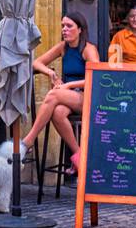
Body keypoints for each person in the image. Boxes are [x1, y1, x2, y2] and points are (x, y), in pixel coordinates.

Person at [20, 13, 100, 172]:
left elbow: (96, 78)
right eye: (63, 25)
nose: (64, 29)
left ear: (80, 29)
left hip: (89, 96)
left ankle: (28, 141)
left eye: (69, 26)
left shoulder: (88, 49)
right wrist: (50, 73)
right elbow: (37, 63)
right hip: (70, 96)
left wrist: (67, 86)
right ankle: (79, 156)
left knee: (53, 94)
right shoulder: (63, 47)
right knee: (57, 112)